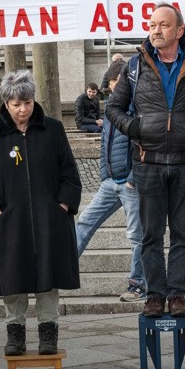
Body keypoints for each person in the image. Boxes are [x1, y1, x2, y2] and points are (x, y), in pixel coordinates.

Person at [104, 2, 185, 318]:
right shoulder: (135, 66)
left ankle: (177, 296)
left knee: (183, 234)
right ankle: (155, 296)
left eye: (163, 25)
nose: (155, 30)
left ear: (179, 30)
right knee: (151, 234)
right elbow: (113, 109)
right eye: (151, 25)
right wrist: (137, 128)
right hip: (148, 161)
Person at [0, 70, 82, 355]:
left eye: (27, 102)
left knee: (49, 280)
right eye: (16, 104)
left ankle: (48, 334)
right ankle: (15, 334)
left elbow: (69, 174)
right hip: (10, 222)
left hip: (49, 220)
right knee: (12, 279)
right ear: (6, 104)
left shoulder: (53, 130)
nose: (22, 110)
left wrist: (61, 207)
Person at [76, 61, 145, 302]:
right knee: (84, 222)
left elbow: (144, 144)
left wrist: (132, 179)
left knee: (137, 235)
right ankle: (60, 272)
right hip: (109, 183)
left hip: (130, 185)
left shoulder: (138, 107)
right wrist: (105, 174)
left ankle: (138, 285)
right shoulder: (109, 109)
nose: (111, 87)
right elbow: (105, 142)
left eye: (114, 82)